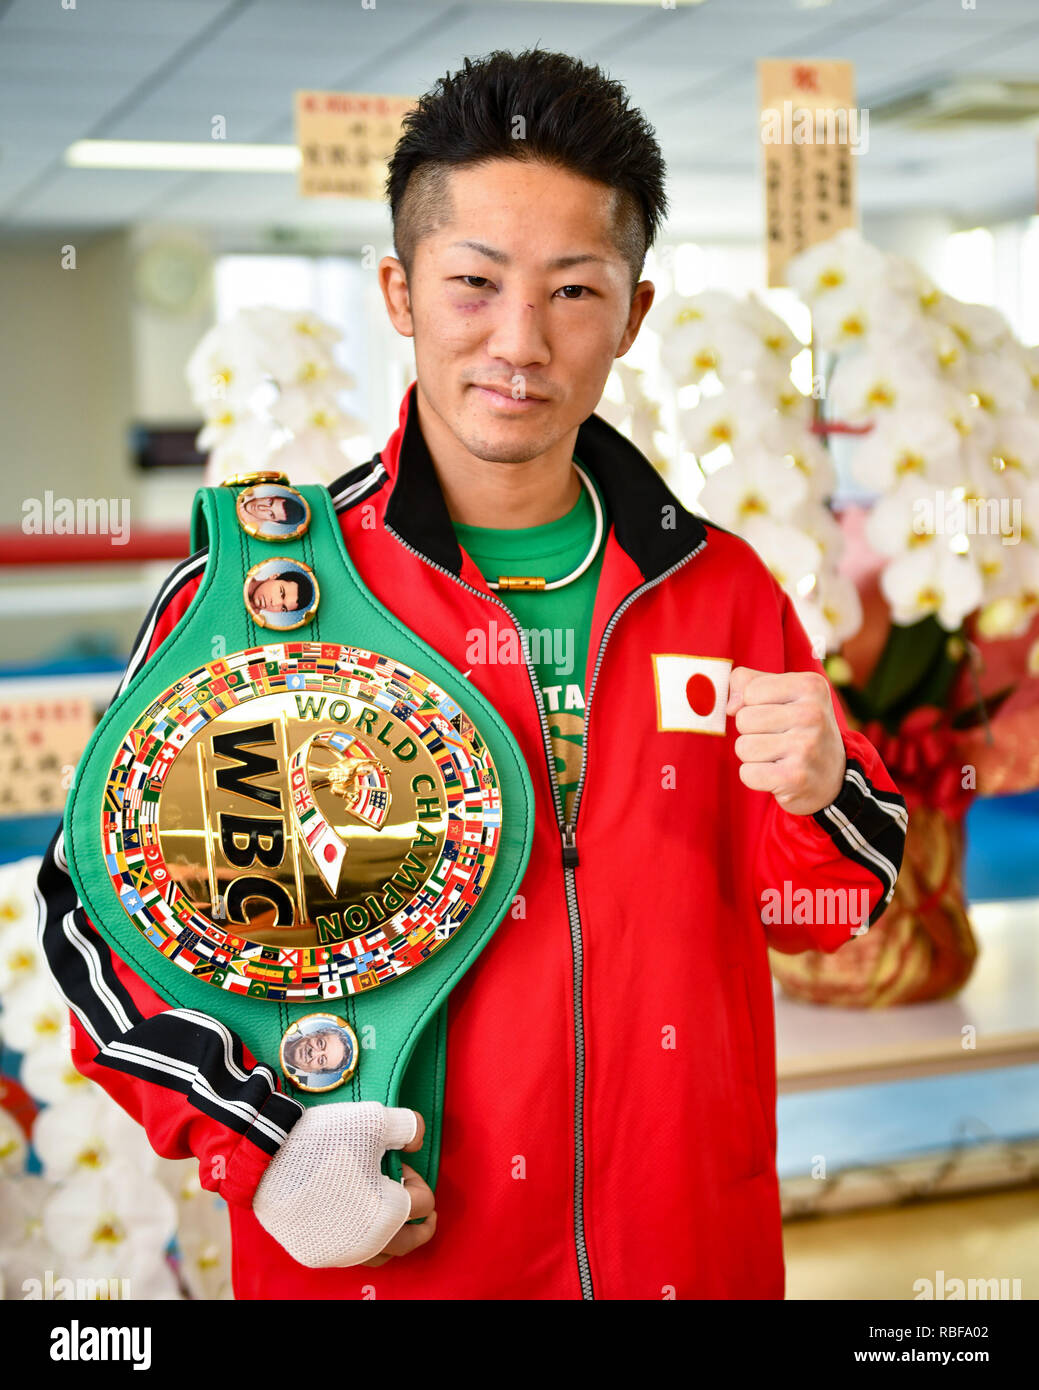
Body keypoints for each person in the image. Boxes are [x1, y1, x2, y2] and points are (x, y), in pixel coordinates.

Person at [37, 47, 906, 1300]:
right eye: (473, 283)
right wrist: (270, 1143)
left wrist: (823, 789)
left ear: (634, 313)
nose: (519, 341)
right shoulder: (265, 600)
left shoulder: (720, 589)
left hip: (680, 1251)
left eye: (571, 290)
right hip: (400, 1255)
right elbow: (95, 919)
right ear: (399, 290)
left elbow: (820, 907)